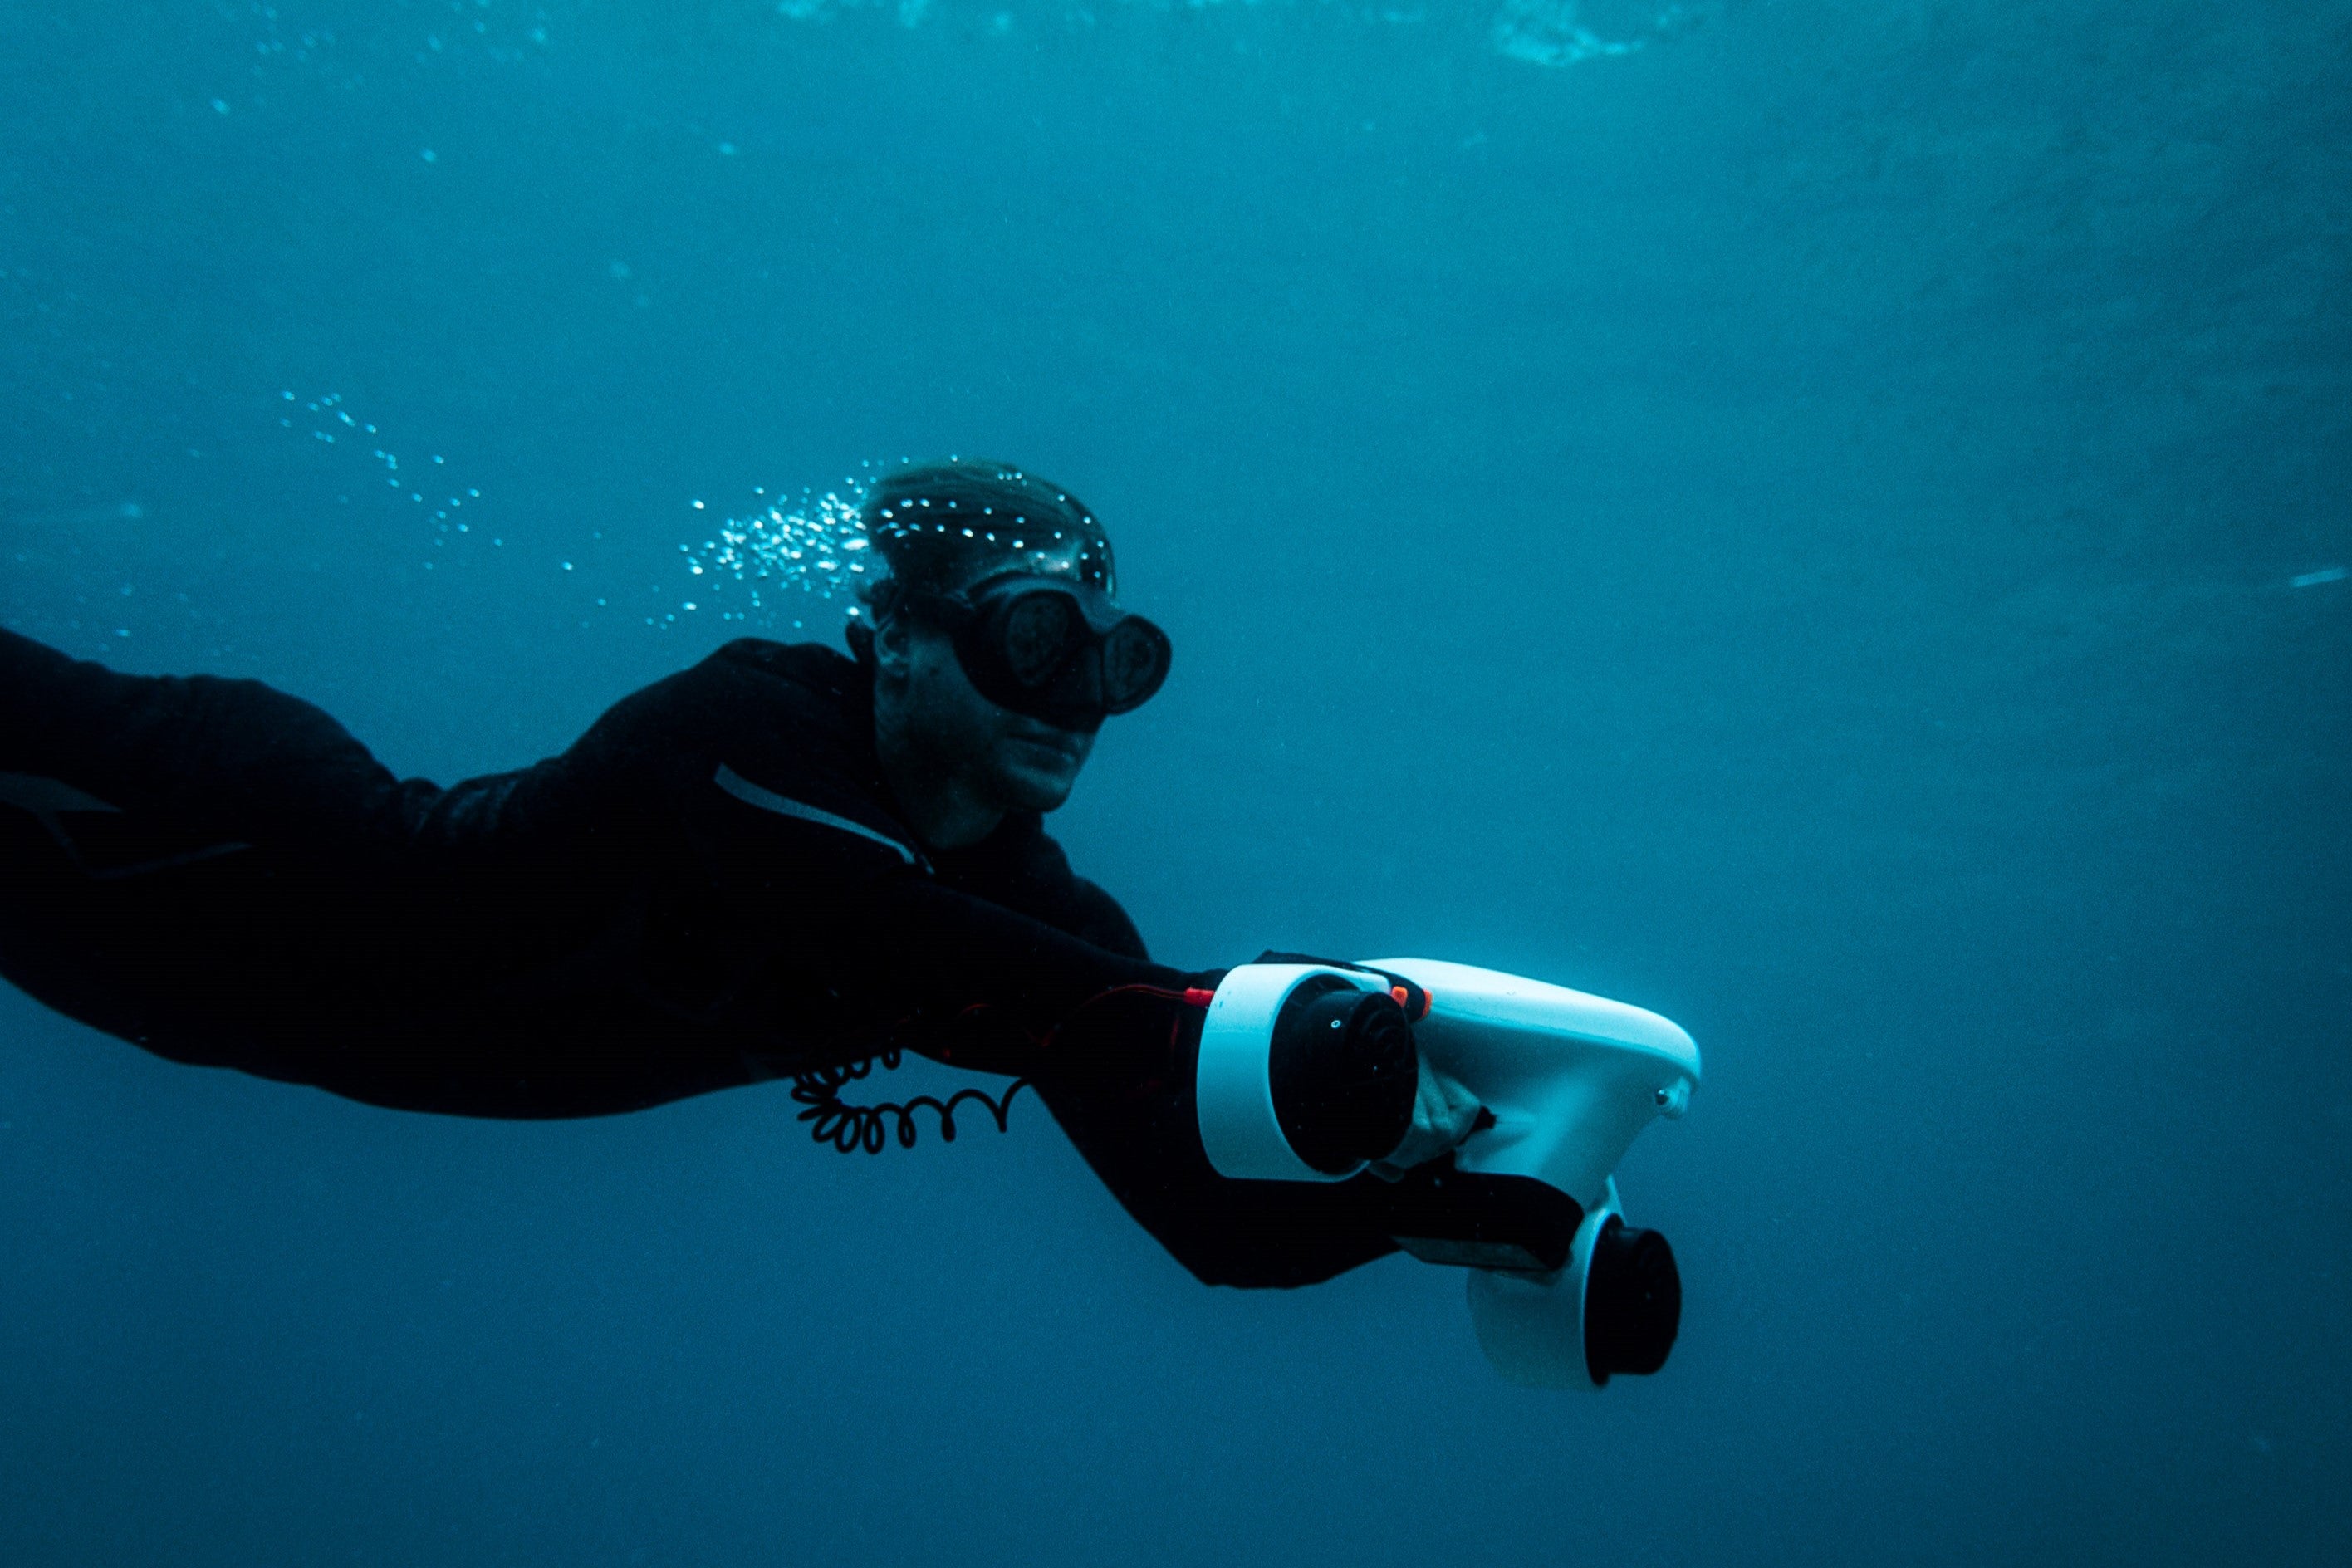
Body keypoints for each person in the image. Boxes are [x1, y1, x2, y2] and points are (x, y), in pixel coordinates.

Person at [0, 458, 1425, 1286]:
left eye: (1116, 665)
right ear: (898, 636)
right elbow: (874, 921)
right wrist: (1245, 1021)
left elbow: (1214, 1231)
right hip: (203, 839)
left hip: (206, 1010)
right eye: (1040, 641)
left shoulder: (1035, 929)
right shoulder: (744, 732)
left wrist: (1457, 1205)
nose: (1075, 701)